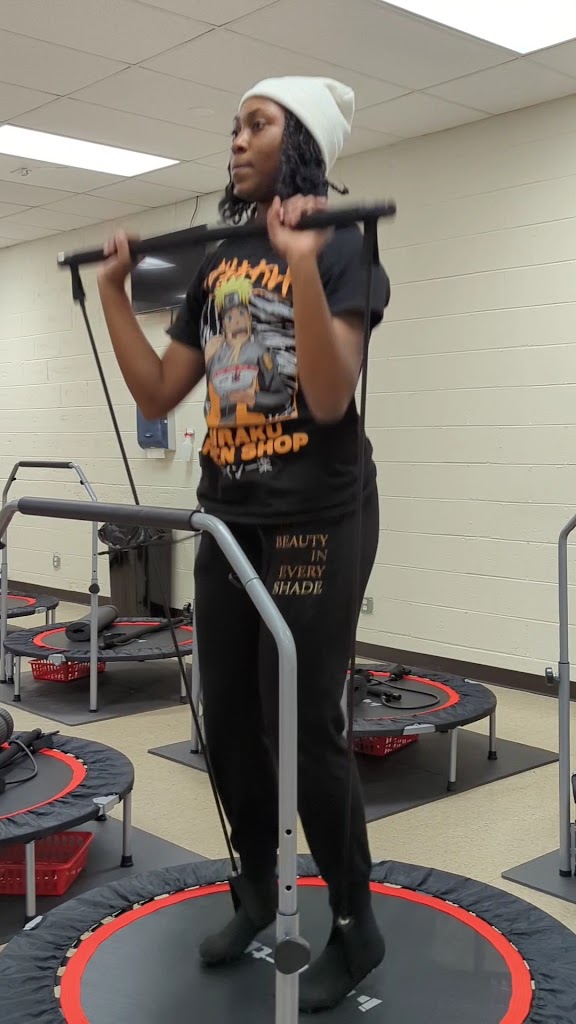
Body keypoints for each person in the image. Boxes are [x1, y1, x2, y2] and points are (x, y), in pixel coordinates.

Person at [97, 75, 391, 1013]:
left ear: (298, 139)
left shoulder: (342, 243)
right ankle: (258, 885)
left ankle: (355, 922)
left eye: (256, 123)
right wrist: (112, 296)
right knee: (226, 720)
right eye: (233, 124)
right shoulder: (221, 259)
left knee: (301, 726)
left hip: (317, 518)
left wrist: (299, 264)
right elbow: (158, 392)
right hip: (229, 516)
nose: (235, 137)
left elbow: (329, 397)